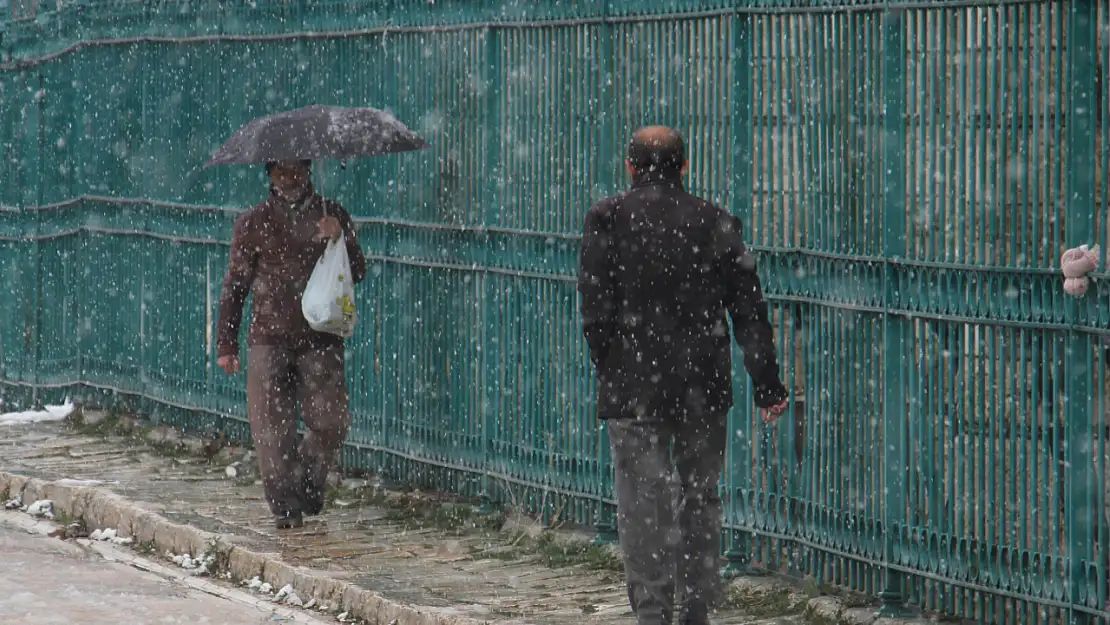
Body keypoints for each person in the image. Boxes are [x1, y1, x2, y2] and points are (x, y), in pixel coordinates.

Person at [577, 127, 789, 625]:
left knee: (641, 508)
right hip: (702, 384)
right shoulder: (715, 222)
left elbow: (594, 310)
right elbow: (749, 311)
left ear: (631, 166)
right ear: (684, 166)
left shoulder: (606, 219)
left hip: (634, 389)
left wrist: (611, 363)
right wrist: (767, 383)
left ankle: (652, 614)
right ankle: (696, 608)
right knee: (699, 498)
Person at [216, 159, 367, 530]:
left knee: (332, 421)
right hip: (268, 337)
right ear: (268, 175)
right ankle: (285, 506)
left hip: (321, 337)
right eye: (280, 172)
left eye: (296, 170)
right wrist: (226, 343)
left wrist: (339, 239)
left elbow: (358, 271)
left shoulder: (332, 214)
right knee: (271, 428)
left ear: (310, 169)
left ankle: (307, 485)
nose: (289, 179)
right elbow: (236, 285)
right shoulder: (252, 223)